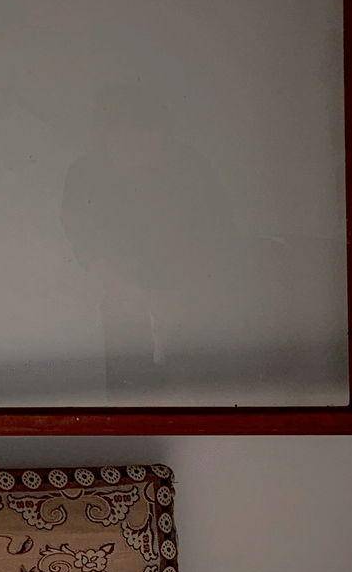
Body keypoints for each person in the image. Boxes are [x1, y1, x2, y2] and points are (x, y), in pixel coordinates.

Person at [60, 84, 236, 400]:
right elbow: (84, 242)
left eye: (144, 136)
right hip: (124, 301)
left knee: (197, 394)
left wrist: (182, 293)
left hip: (192, 301)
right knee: (131, 394)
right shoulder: (85, 174)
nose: (133, 148)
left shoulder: (192, 168)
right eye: (121, 137)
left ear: (162, 134)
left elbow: (217, 235)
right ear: (104, 135)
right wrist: (131, 293)